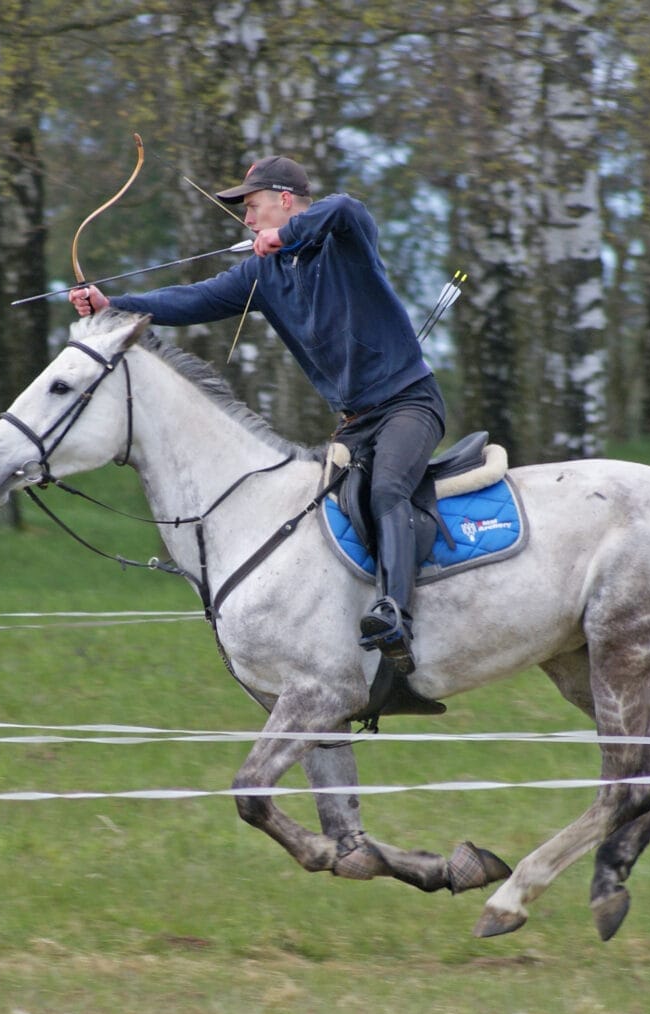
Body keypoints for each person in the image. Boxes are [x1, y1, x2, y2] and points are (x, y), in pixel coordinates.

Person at [70, 155, 444, 675]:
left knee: (386, 491)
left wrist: (288, 234)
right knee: (326, 511)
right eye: (244, 211)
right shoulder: (263, 275)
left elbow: (345, 206)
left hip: (410, 404)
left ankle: (395, 615)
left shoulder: (343, 241)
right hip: (357, 422)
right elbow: (191, 299)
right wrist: (113, 303)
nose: (247, 219)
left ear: (285, 201)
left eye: (253, 206)